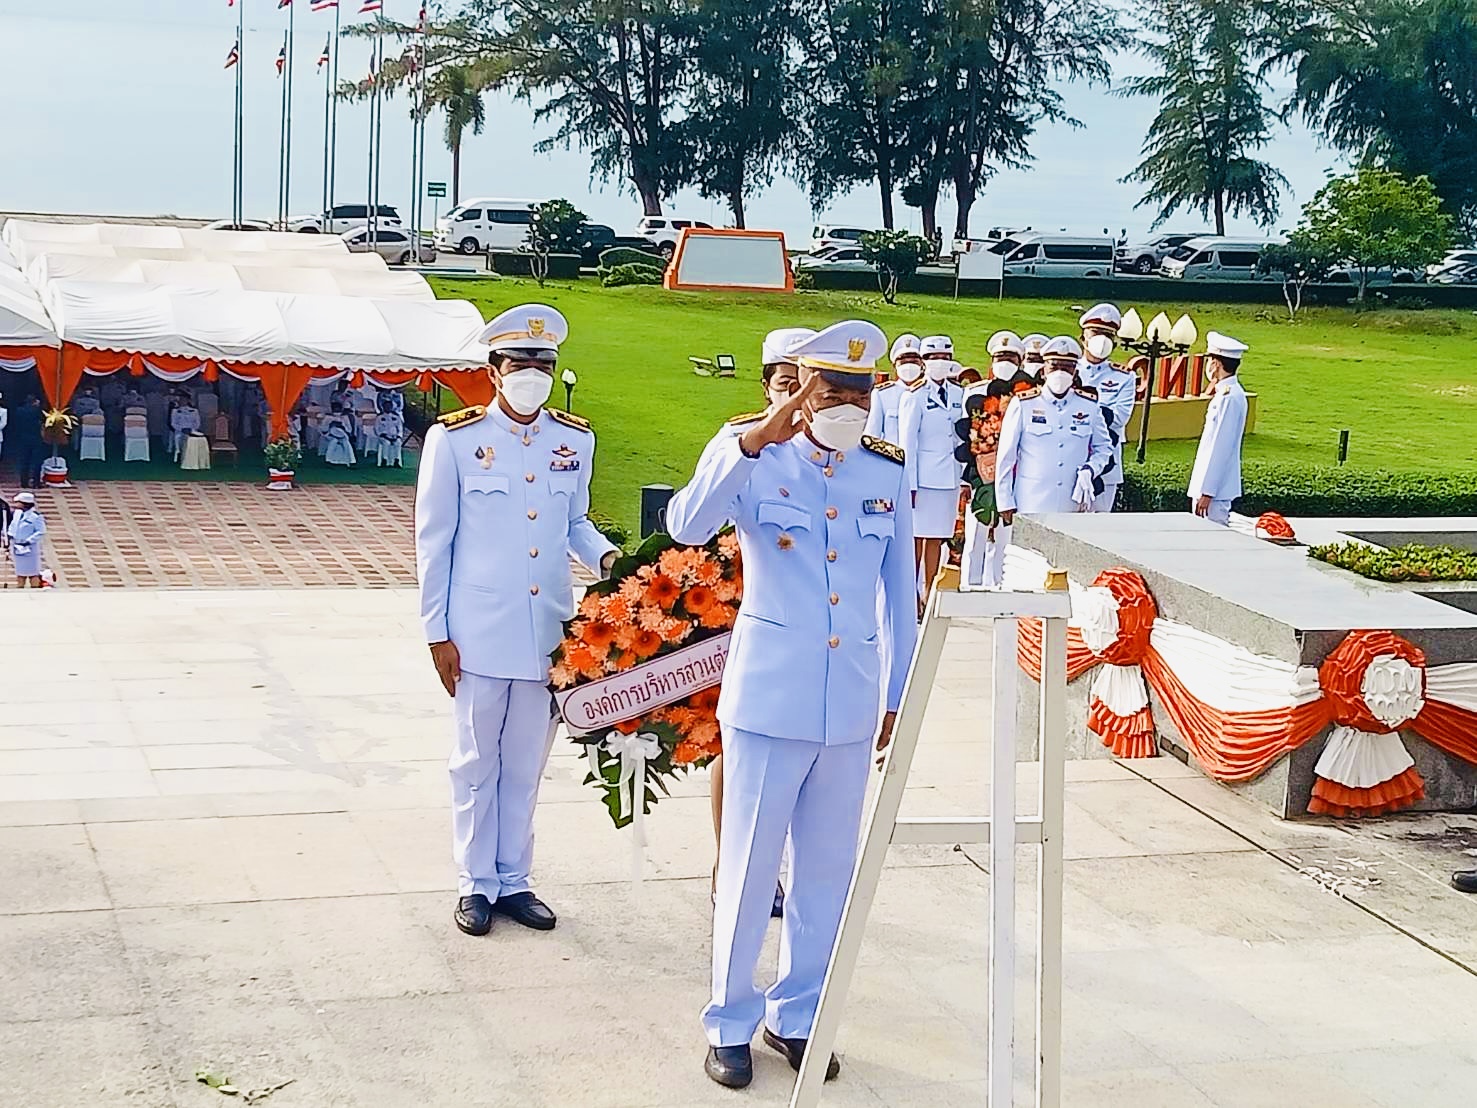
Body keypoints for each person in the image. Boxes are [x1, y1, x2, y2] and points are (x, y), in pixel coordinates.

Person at [666, 320, 917, 1091]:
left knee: (825, 874)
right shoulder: (754, 458)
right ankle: (729, 1021)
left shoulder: (883, 472)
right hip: (769, 696)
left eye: (859, 395)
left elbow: (898, 597)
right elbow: (685, 523)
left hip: (848, 703)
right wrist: (751, 438)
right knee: (747, 871)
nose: (847, 407)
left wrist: (897, 696)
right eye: (830, 394)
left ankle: (798, 1015)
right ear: (802, 396)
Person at [415, 303, 618, 939]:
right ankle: (474, 883)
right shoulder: (455, 440)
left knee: (527, 761)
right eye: (521, 363)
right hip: (477, 629)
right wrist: (435, 630)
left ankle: (514, 879)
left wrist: (609, 559)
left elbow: (575, 522)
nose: (534, 372)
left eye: (544, 363)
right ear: (495, 371)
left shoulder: (574, 439)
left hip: (547, 633)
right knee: (477, 760)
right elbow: (434, 541)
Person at [708, 326, 815, 920]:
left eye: (808, 387)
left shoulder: (850, 453)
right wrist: (754, 443)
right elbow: (694, 519)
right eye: (784, 386)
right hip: (738, 606)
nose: (796, 401)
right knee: (737, 747)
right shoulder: (740, 441)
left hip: (813, 632)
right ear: (765, 385)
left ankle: (785, 871)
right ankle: (734, 863)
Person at [995, 337, 1112, 520]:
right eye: (1054, 366)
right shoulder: (1024, 403)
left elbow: (1103, 447)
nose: (1060, 372)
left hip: (1073, 500)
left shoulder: (1089, 405)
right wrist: (1004, 501)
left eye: (1067, 367)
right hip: (1031, 499)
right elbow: (1006, 455)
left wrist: (1090, 469)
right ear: (1043, 371)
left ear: (1075, 372)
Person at [961, 331, 1033, 587]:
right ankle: (970, 586)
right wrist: (966, 481)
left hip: (1016, 475)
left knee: (1007, 538)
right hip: (981, 473)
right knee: (975, 535)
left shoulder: (1029, 395)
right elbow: (964, 437)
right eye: (1000, 357)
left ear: (1020, 361)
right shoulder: (974, 393)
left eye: (1010, 357)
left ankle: (1001, 584)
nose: (1005, 361)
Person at [900, 334, 964, 608]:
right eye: (934, 358)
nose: (940, 363)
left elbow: (962, 437)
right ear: (924, 361)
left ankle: (930, 591)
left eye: (944, 358)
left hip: (948, 477)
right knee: (916, 538)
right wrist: (909, 483)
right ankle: (910, 593)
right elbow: (907, 442)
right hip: (922, 479)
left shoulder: (959, 394)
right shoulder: (914, 396)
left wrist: (963, 477)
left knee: (937, 537)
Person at [1076, 304, 1135, 512]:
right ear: (1083, 338)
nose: (1102, 340)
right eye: (1096, 333)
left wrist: (1083, 410)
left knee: (1099, 525)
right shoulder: (1067, 369)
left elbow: (1119, 417)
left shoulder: (1124, 377)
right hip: (1070, 461)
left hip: (1107, 465)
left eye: (1108, 336)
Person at [1187, 332, 1250, 525]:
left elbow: (1220, 447)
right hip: (1211, 489)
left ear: (1216, 364)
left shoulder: (1230, 397)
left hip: (1216, 492)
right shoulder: (1225, 394)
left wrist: (1208, 491)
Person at [863, 333, 920, 445]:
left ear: (922, 364)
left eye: (914, 362)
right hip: (893, 459)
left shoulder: (931, 393)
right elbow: (873, 435)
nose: (909, 366)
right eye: (903, 363)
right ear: (895, 366)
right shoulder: (882, 395)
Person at [7, 490, 46, 588]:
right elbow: (13, 526)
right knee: (20, 572)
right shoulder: (17, 514)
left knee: (33, 573)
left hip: (30, 549)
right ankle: (20, 588)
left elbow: (40, 531)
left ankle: (35, 589)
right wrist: (9, 536)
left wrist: (28, 541)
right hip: (17, 547)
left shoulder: (35, 516)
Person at [11, 396, 44, 490]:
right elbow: (41, 422)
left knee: (24, 460)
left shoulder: (19, 411)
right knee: (36, 461)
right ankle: (36, 482)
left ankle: (24, 482)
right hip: (36, 438)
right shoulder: (37, 411)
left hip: (23, 438)